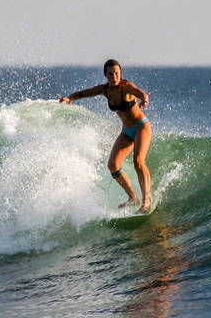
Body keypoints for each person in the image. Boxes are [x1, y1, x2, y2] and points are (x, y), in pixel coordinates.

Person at [59, 59, 152, 213]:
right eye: (110, 74)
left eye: (116, 73)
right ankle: (133, 198)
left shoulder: (126, 87)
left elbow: (141, 93)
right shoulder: (104, 89)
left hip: (141, 126)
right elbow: (83, 93)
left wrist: (144, 100)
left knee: (138, 161)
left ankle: (146, 201)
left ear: (120, 73)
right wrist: (70, 98)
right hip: (126, 131)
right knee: (113, 165)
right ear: (105, 75)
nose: (113, 76)